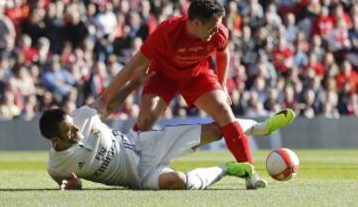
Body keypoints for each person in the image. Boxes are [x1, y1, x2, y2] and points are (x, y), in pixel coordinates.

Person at [100, 0, 295, 176]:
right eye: (212, 27)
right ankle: (130, 163)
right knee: (145, 121)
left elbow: (222, 53)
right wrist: (105, 99)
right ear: (195, 23)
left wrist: (223, 84)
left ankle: (249, 173)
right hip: (163, 76)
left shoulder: (219, 33)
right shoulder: (166, 33)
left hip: (197, 74)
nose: (216, 31)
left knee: (223, 110)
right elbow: (130, 67)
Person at [39, 69, 296, 190]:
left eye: (73, 126)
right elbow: (72, 184)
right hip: (137, 179)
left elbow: (108, 104)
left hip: (142, 144)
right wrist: (73, 186)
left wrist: (136, 83)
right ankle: (227, 169)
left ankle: (262, 128)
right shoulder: (56, 167)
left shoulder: (82, 117)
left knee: (216, 131)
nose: (77, 131)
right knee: (178, 182)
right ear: (55, 140)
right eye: (69, 132)